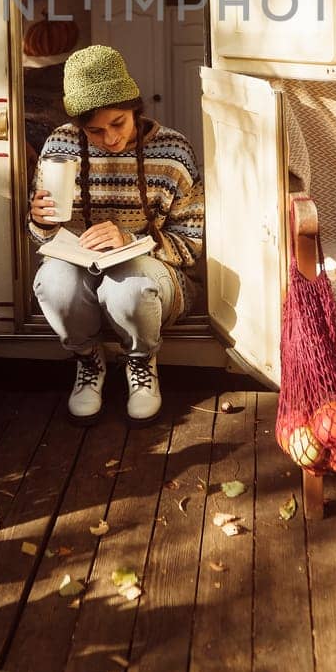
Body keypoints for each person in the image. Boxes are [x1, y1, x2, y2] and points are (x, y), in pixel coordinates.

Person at [28, 44, 204, 424]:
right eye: (94, 130)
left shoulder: (173, 150)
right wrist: (41, 221)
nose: (109, 139)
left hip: (155, 277)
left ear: (135, 108)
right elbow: (43, 238)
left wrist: (131, 241)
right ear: (78, 125)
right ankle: (88, 361)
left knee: (127, 286)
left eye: (118, 123)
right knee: (53, 282)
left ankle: (141, 361)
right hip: (81, 271)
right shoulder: (59, 147)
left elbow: (191, 244)